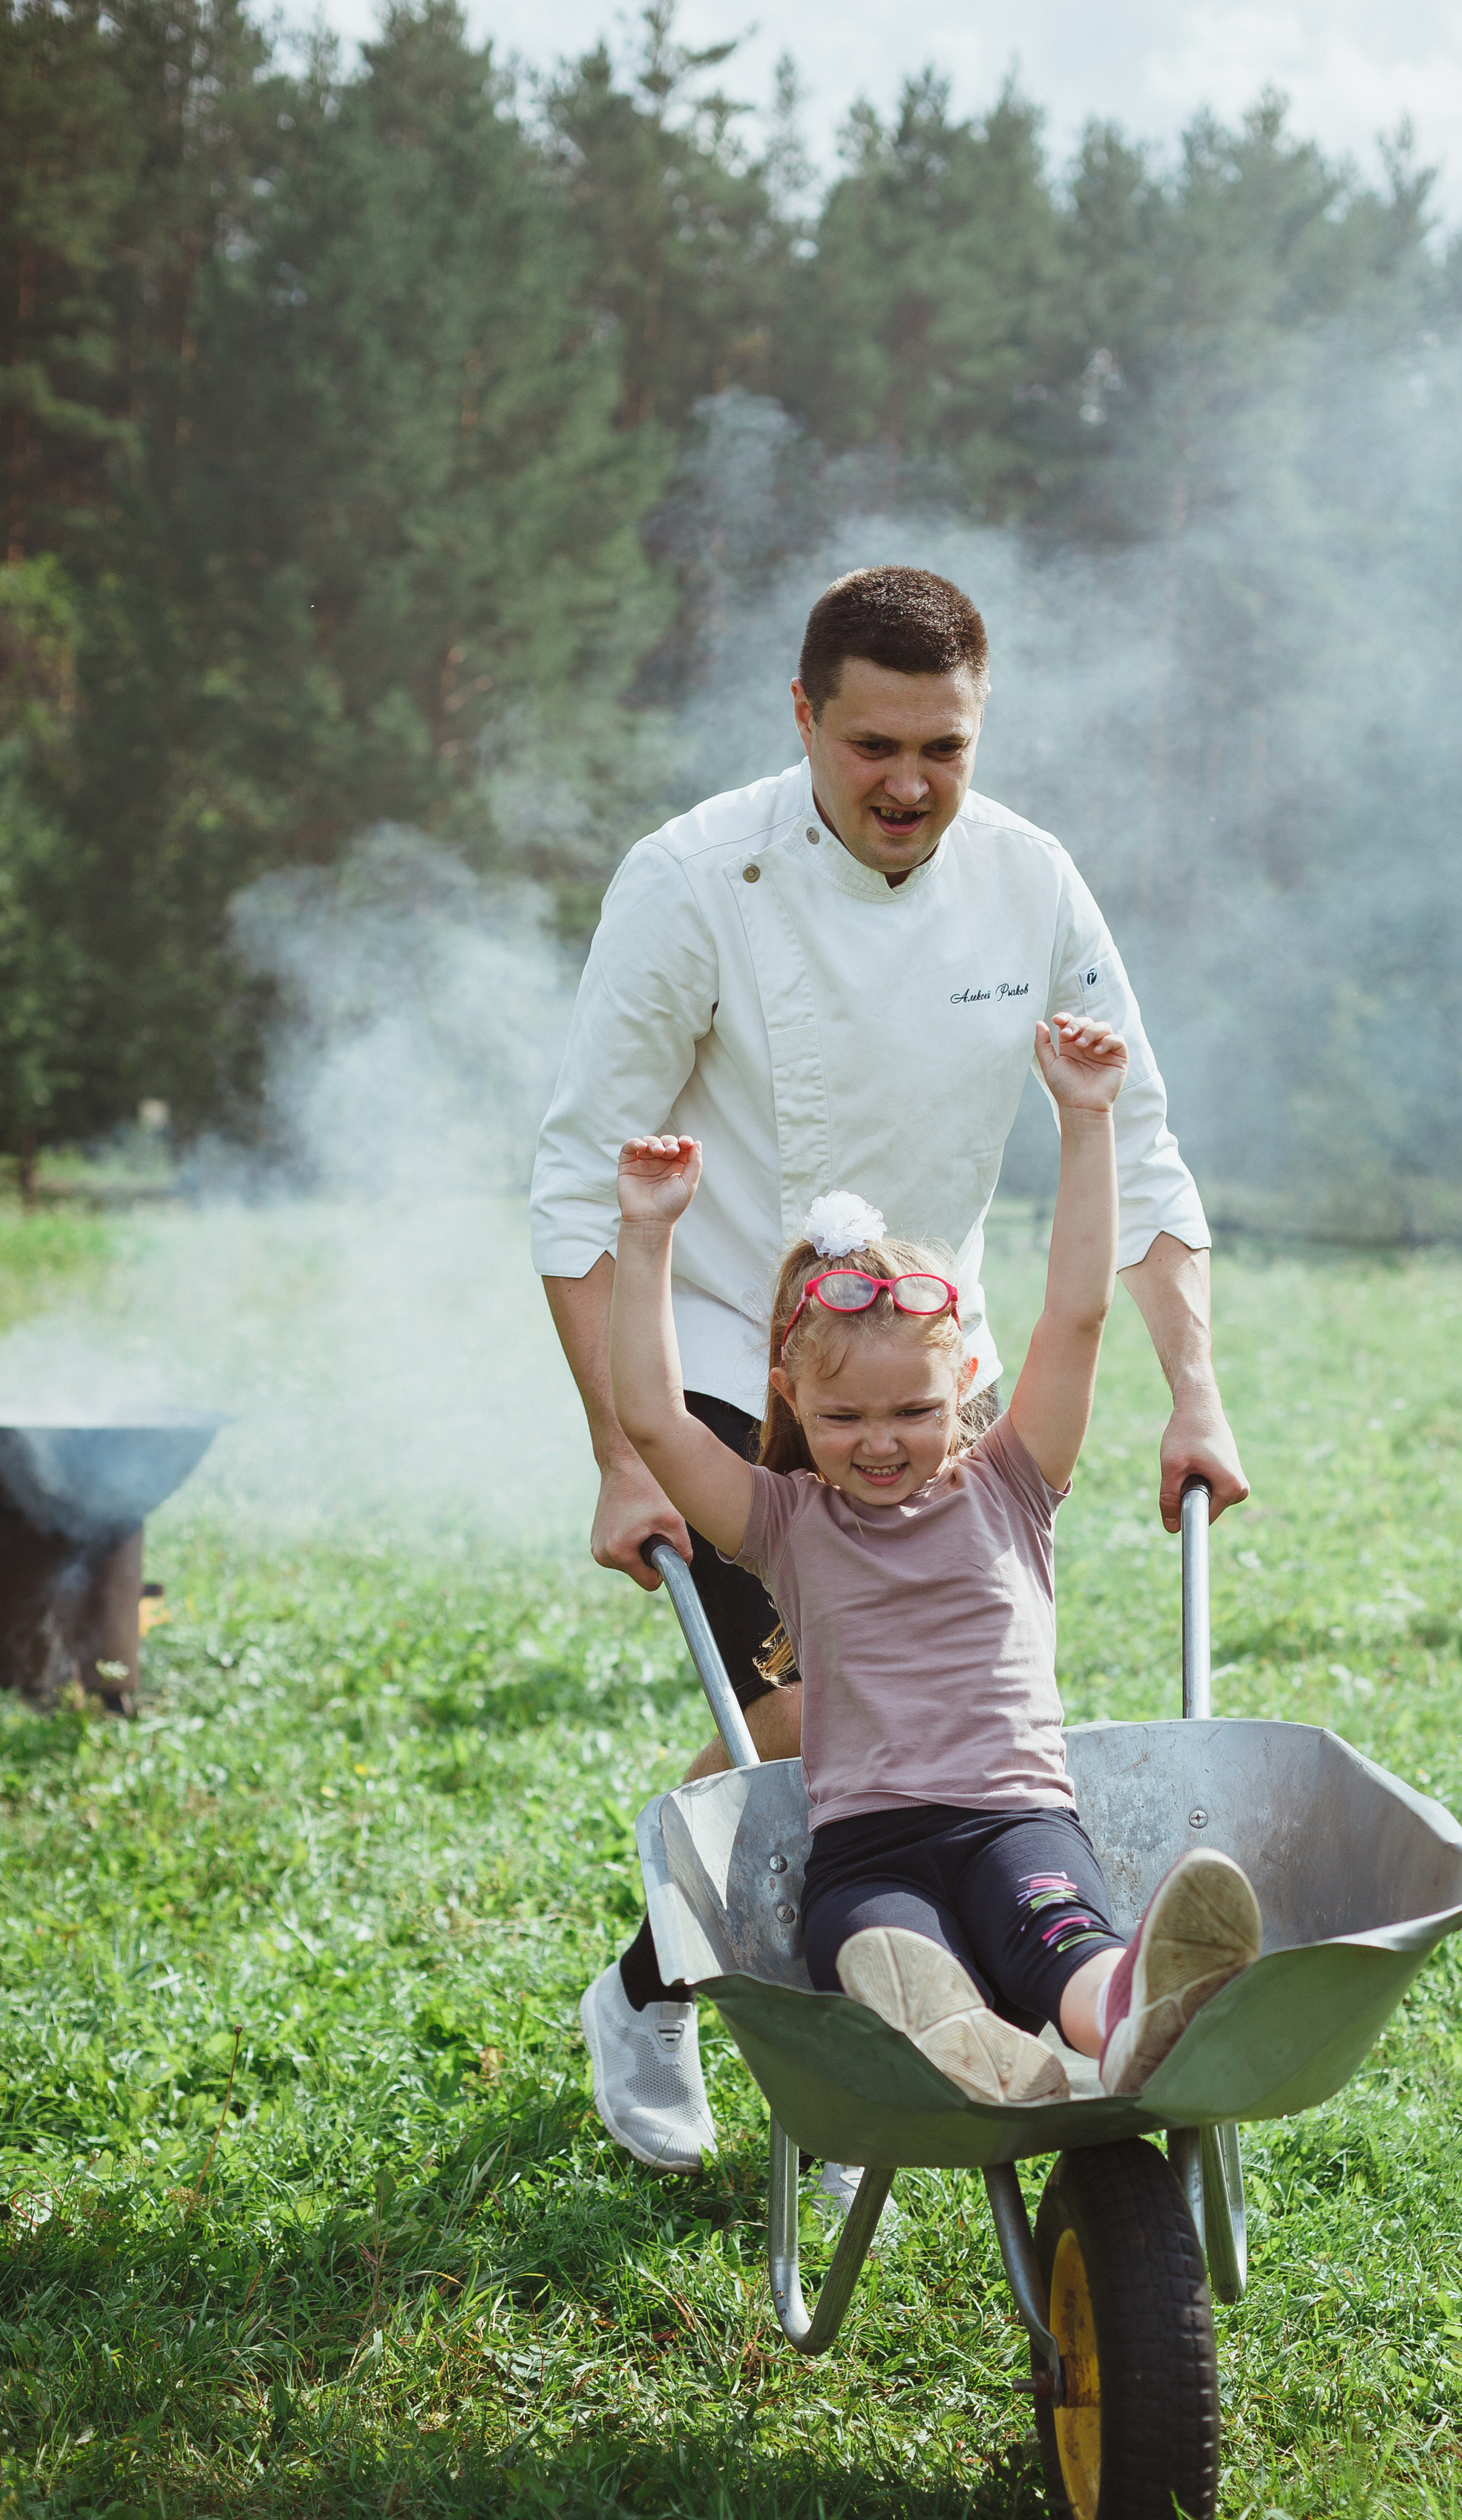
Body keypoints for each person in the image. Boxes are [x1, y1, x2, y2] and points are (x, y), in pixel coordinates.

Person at [531, 563, 1249, 2167]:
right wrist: (619, 1449)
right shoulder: (691, 878)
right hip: (725, 1341)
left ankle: (901, 2000)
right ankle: (675, 1992)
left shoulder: (1028, 881)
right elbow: (580, 1188)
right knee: (800, 1728)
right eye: (872, 747)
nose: (910, 784)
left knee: (935, 1721)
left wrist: (1191, 1389)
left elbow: (1140, 1146)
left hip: (932, 1360)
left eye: (946, 747)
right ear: (802, 719)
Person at [605, 1012, 1262, 2106]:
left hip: (1019, 1822)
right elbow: (658, 1422)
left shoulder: (1011, 1480)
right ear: (790, 1400)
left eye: (912, 1409)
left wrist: (1087, 1118)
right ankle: (964, 2040)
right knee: (881, 1951)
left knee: (1065, 1941)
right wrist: (647, 1235)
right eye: (843, 1415)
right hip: (868, 1854)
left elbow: (1079, 1313)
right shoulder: (784, 1519)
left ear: (962, 1389)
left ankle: (1137, 2008)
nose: (878, 1442)